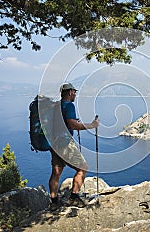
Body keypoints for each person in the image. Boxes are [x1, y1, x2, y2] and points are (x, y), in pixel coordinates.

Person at [49, 83, 100, 211]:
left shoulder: (56, 106)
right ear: (70, 92)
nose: (76, 95)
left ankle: (54, 201)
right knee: (83, 168)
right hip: (65, 144)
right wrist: (92, 125)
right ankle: (74, 197)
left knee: (56, 172)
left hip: (54, 143)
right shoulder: (69, 105)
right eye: (75, 92)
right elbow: (72, 125)